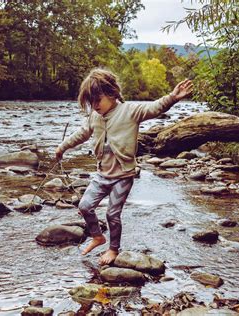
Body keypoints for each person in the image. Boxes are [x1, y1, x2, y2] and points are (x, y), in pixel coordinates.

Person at [55, 68, 193, 265]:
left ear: (111, 93)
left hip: (123, 175)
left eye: (97, 100)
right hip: (102, 175)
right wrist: (62, 147)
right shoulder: (95, 117)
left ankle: (113, 249)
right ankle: (97, 237)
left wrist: (173, 97)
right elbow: (81, 134)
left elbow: (154, 108)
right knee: (85, 206)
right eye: (90, 102)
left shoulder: (130, 111)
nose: (94, 106)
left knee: (112, 213)